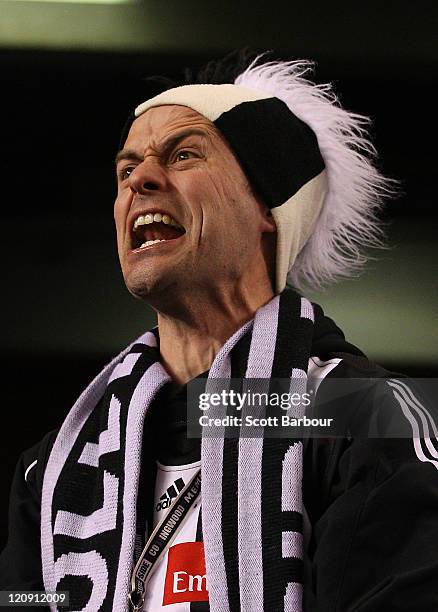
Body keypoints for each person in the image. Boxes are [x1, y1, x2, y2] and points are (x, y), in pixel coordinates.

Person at [1, 50, 437, 612]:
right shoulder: (56, 463)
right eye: (126, 169)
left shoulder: (371, 417)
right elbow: (21, 601)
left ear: (267, 206)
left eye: (183, 155)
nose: (142, 181)